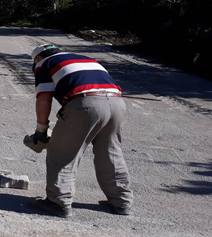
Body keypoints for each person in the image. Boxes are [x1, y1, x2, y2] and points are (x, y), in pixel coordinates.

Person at [27, 44, 133, 218]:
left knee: (62, 152)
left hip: (85, 105)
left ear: (37, 58)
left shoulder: (44, 63)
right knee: (111, 151)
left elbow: (44, 98)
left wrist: (41, 130)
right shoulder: (86, 59)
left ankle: (57, 202)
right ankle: (121, 201)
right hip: (116, 104)